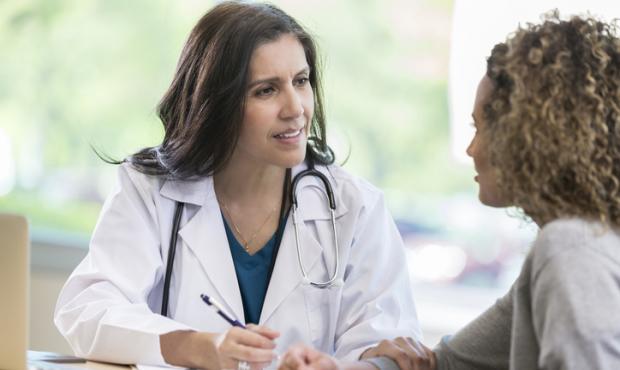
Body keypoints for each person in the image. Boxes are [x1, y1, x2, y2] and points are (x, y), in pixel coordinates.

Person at [53, 1, 421, 369]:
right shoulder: (150, 191)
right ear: (217, 103)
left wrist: (332, 367)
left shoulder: (354, 208)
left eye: (301, 81)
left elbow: (387, 348)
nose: (295, 108)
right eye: (266, 90)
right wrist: (198, 346)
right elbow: (87, 310)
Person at [277, 13, 620, 370]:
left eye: (481, 127)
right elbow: (447, 364)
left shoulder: (569, 248)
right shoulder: (583, 243)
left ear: (530, 136)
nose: (472, 149)